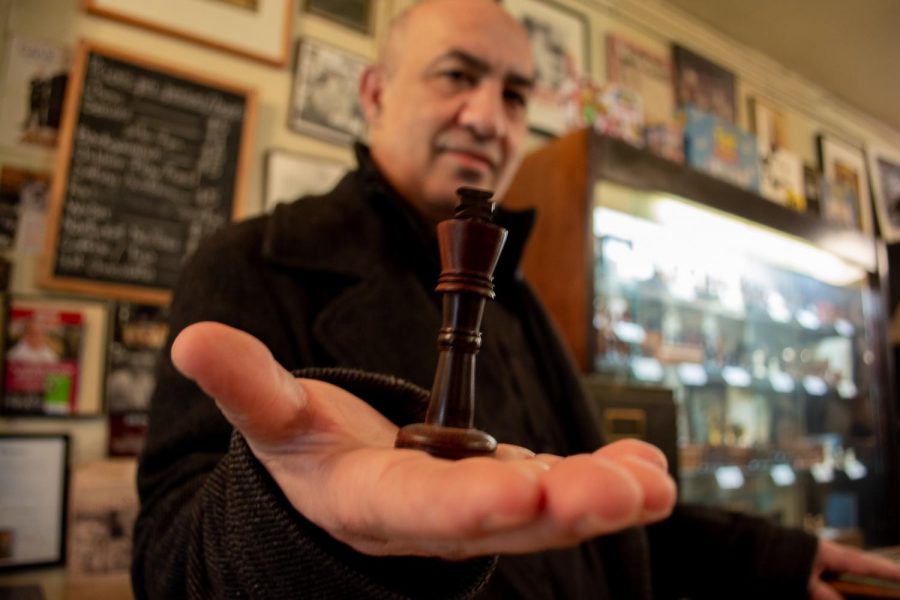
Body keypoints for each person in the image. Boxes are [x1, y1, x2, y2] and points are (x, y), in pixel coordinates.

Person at [132, 1, 900, 598]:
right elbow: (170, 566)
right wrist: (320, 528)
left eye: (515, 93)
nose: (489, 117)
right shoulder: (249, 264)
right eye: (456, 76)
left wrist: (772, 558)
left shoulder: (517, 293)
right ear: (373, 93)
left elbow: (580, 507)